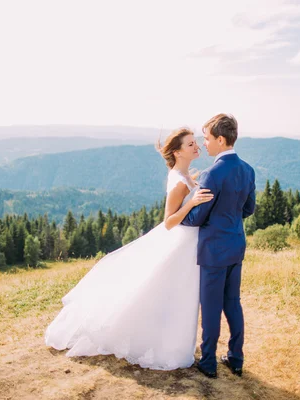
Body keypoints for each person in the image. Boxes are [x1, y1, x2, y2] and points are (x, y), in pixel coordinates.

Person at [44, 127, 213, 370]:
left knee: (172, 295)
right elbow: (168, 222)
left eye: (196, 142)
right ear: (177, 153)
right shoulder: (179, 182)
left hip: (187, 242)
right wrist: (193, 203)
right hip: (178, 241)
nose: (196, 147)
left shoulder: (184, 176)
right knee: (164, 293)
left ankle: (170, 342)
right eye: (190, 145)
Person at [181, 113, 256, 378]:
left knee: (211, 306)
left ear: (221, 140)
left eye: (207, 139)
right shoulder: (248, 170)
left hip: (214, 250)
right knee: (232, 303)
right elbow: (249, 208)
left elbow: (198, 216)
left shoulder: (212, 174)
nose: (205, 144)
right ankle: (236, 358)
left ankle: (209, 361)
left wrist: (181, 215)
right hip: (236, 245)